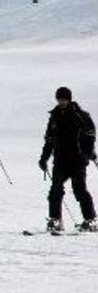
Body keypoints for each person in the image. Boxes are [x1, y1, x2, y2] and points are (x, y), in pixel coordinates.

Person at [40, 87, 96, 232]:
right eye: (59, 99)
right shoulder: (54, 117)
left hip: (77, 160)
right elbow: (49, 140)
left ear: (69, 99)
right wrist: (44, 158)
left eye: (64, 99)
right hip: (60, 160)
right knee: (55, 190)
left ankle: (90, 220)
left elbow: (90, 137)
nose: (61, 101)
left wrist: (87, 154)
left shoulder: (81, 115)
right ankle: (55, 220)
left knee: (79, 190)